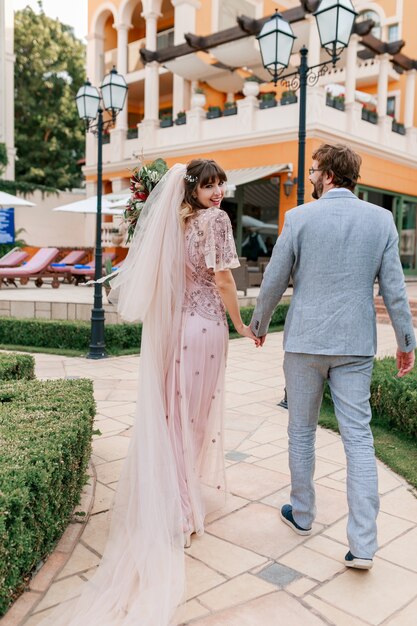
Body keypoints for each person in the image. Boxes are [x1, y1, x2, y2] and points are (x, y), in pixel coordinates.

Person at [45, 160, 258, 626]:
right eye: (208, 184)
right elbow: (223, 278)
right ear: (192, 189)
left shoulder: (175, 224)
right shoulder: (216, 221)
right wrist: (241, 323)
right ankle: (181, 508)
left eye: (221, 183)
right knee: (193, 415)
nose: (218, 191)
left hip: (176, 330)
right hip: (204, 329)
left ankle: (175, 498)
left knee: (173, 413)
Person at [250, 143, 416, 570]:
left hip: (304, 342)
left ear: (327, 174)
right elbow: (394, 290)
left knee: (301, 431)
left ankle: (302, 515)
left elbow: (274, 278)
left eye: (312, 170)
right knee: (359, 439)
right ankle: (363, 545)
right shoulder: (380, 220)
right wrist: (406, 342)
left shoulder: (299, 218)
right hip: (355, 347)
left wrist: (260, 324)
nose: (309, 177)